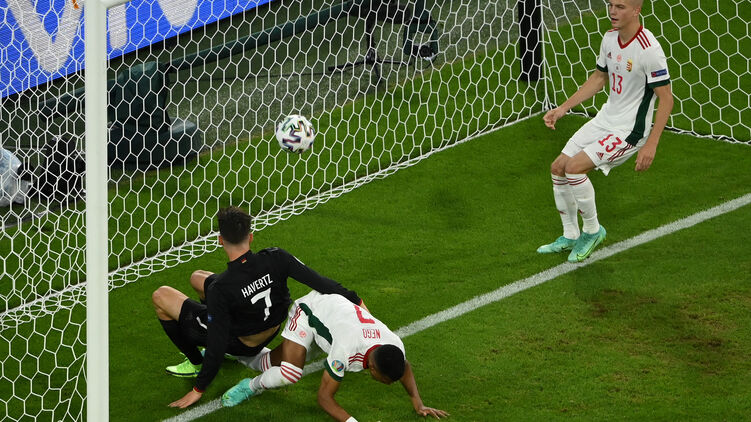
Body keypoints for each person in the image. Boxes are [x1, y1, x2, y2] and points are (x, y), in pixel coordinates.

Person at [152, 206, 363, 408]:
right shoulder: (276, 257)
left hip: (240, 343)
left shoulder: (221, 288)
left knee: (160, 296)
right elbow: (322, 283)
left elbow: (217, 343)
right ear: (250, 237)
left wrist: (198, 389)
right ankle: (215, 326)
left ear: (220, 240)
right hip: (271, 327)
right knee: (197, 278)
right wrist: (358, 302)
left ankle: (196, 363)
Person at [539, 0, 673, 262]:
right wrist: (563, 108)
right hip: (605, 119)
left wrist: (651, 144)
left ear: (636, 11)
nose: (612, 11)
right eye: (611, 5)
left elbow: (666, 98)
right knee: (558, 167)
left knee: (574, 168)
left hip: (629, 131)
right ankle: (570, 235)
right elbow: (599, 79)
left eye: (620, 6)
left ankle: (592, 231)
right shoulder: (610, 38)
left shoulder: (649, 49)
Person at [221, 291, 449, 422]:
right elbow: (324, 398)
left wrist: (418, 403)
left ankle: (228, 350)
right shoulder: (346, 350)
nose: (389, 384)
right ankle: (248, 386)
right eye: (387, 380)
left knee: (268, 363)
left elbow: (404, 366)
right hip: (309, 311)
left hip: (332, 321)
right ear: (372, 368)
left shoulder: (394, 345)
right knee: (289, 373)